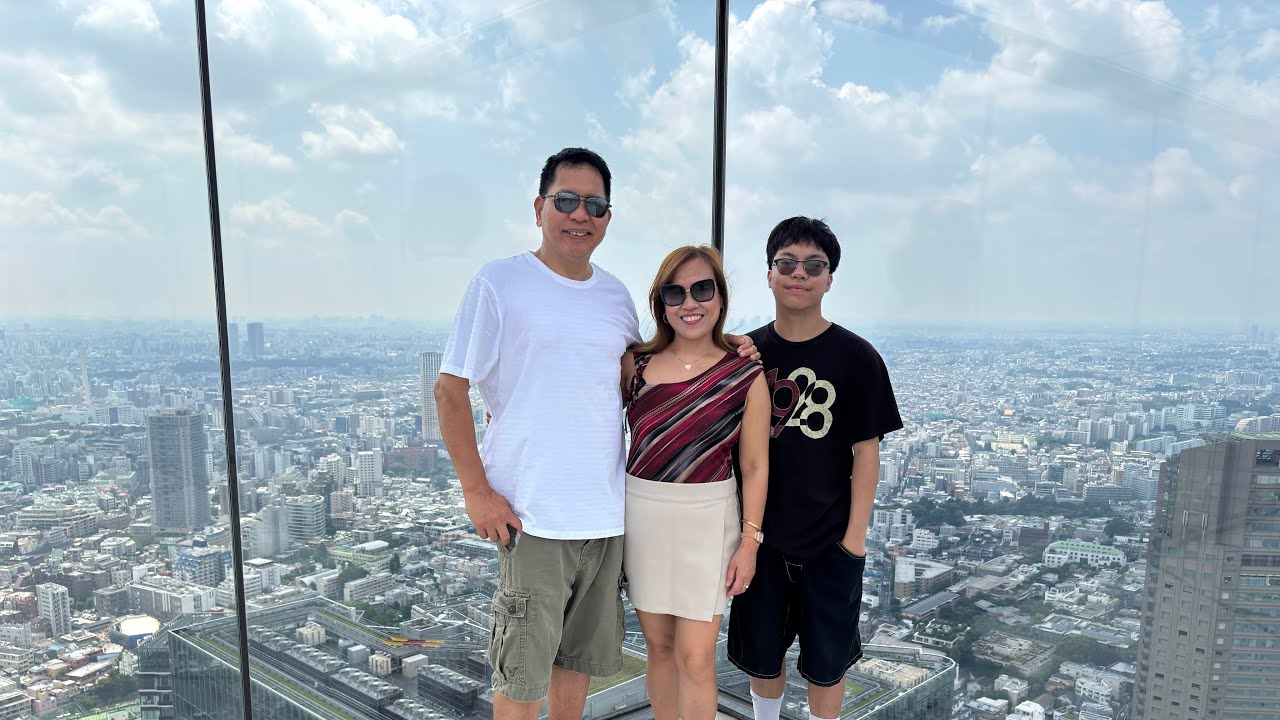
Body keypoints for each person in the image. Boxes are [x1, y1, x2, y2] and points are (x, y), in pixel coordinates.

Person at [435, 148, 756, 720]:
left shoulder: (613, 296)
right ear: (539, 208)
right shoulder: (500, 282)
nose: (579, 214)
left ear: (608, 216)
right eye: (565, 200)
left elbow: (649, 370)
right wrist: (475, 491)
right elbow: (450, 390)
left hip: (608, 519)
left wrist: (731, 349)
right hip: (533, 516)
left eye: (594, 204)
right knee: (521, 676)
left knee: (575, 669)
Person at [726, 217, 903, 720]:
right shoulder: (747, 354)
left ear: (830, 278)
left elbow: (866, 454)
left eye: (813, 265)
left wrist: (854, 542)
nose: (798, 274)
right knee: (762, 653)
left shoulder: (856, 357)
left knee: (829, 661)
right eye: (786, 263)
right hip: (760, 537)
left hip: (830, 541)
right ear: (768, 273)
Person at [621, 245, 770, 720]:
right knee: (658, 647)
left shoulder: (745, 373)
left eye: (702, 289)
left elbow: (754, 466)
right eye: (676, 291)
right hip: (642, 516)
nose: (691, 302)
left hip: (710, 521)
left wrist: (749, 544)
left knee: (697, 656)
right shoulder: (635, 366)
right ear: (661, 303)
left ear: (720, 298)